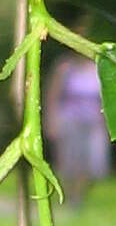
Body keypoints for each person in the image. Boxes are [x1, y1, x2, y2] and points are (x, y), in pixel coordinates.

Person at [45, 54, 110, 192]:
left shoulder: (97, 70)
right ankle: (70, 195)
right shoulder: (65, 69)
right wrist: (51, 121)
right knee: (69, 161)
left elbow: (105, 101)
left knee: (93, 163)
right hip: (70, 121)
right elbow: (53, 95)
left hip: (93, 123)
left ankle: (79, 196)